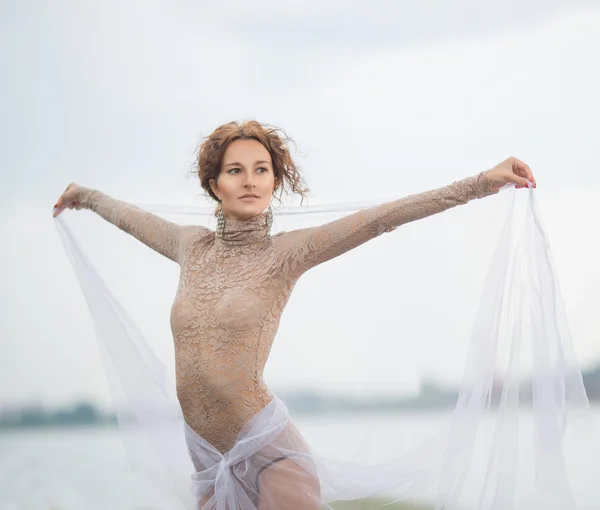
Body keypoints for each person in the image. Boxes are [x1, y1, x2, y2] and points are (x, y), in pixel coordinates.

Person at [53, 120, 536, 509]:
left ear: (275, 181)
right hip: (205, 455)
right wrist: (84, 195)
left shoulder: (285, 253)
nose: (250, 181)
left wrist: (481, 183)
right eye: (235, 170)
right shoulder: (189, 246)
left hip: (269, 451)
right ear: (213, 183)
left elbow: (382, 217)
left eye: (262, 170)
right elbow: (127, 216)